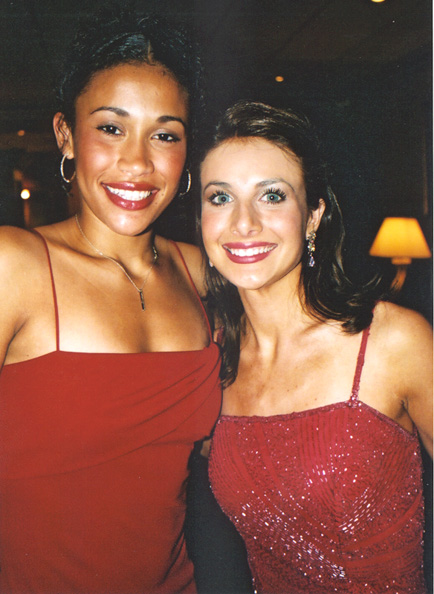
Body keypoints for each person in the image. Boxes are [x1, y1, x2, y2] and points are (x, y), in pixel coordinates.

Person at [0, 7, 221, 594]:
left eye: (165, 135)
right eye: (111, 128)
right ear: (65, 135)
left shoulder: (203, 273)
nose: (138, 163)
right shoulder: (14, 265)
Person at [199, 100, 433, 594]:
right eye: (220, 198)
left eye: (272, 196)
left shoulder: (392, 340)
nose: (243, 223)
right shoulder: (212, 358)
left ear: (313, 216)